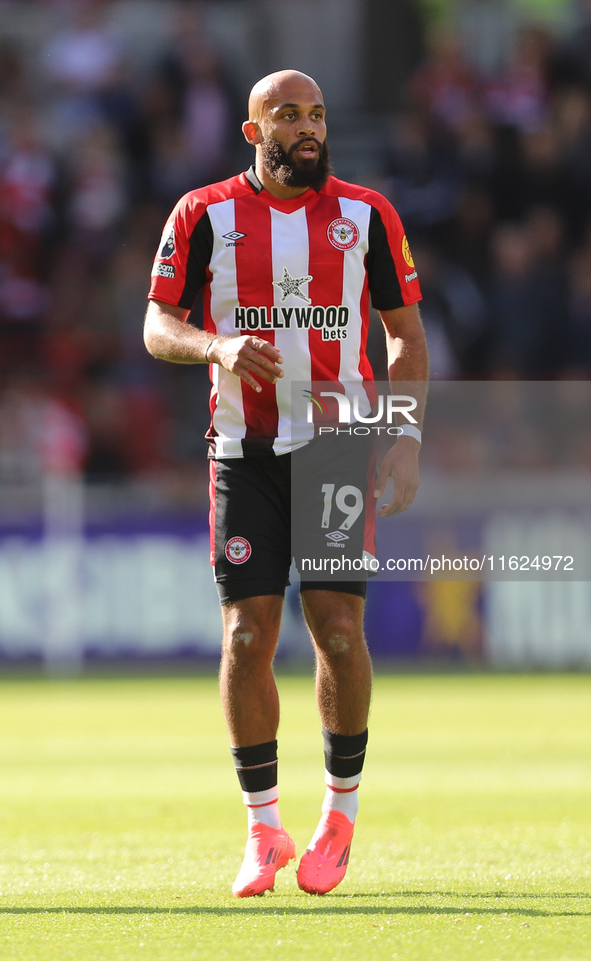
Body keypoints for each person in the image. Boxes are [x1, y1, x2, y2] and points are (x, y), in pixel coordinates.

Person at [144, 69, 428, 898]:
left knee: (337, 629)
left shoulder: (367, 214)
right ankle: (262, 828)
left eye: (316, 115)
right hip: (240, 447)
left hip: (338, 442)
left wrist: (403, 439)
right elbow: (158, 324)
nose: (307, 128)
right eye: (287, 116)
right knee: (245, 637)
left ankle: (338, 814)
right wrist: (217, 347)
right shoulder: (202, 215)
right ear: (252, 131)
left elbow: (403, 335)